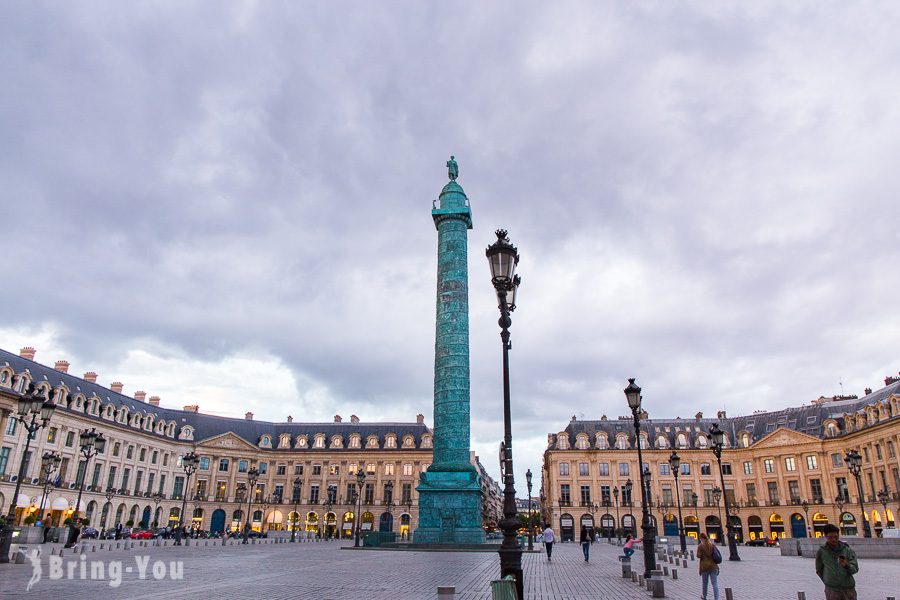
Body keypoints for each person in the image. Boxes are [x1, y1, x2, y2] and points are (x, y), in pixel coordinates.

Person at [816, 524, 859, 600]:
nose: (833, 539)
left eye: (836, 537)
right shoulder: (822, 551)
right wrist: (828, 580)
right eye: (830, 537)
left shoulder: (847, 550)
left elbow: (855, 569)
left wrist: (846, 565)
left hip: (848, 589)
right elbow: (819, 569)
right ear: (826, 537)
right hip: (832, 590)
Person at [697, 532, 720, 600]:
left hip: (704, 567)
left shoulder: (700, 546)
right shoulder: (712, 545)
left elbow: (698, 556)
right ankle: (716, 598)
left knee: (705, 583)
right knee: (714, 583)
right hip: (713, 566)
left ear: (701, 538)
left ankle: (704, 596)